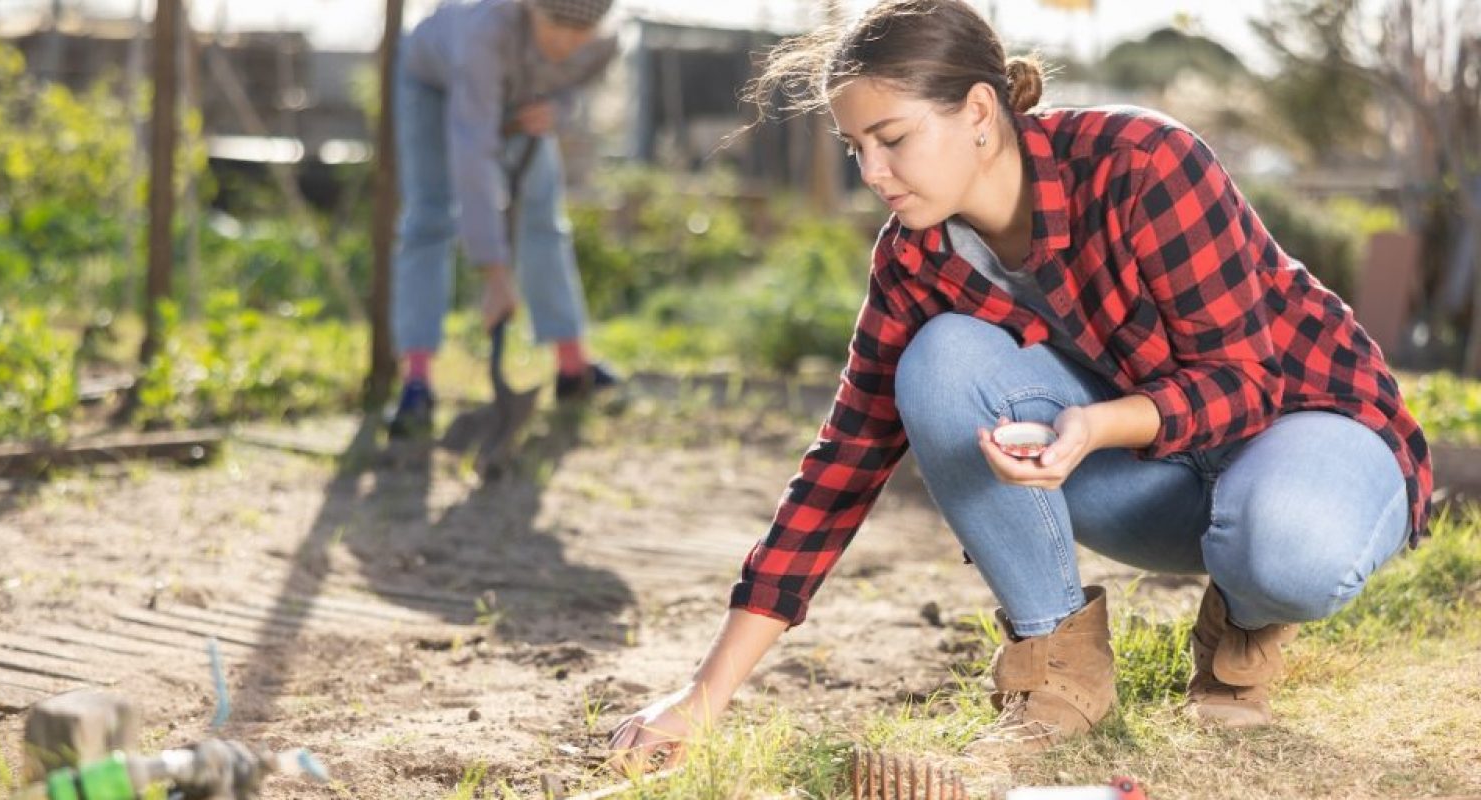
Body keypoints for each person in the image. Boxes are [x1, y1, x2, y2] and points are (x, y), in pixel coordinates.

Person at [610, 0, 1432, 762]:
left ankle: (1243, 638)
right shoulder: (915, 257)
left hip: (1307, 427)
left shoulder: (1139, 160)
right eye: (855, 148)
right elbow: (844, 463)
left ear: (977, 112)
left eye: (891, 139)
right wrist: (705, 695)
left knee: (1291, 548)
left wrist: (1094, 427)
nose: (872, 171)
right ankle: (1059, 677)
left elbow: (1246, 384)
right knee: (939, 359)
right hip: (1152, 481)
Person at [390, 0, 621, 438]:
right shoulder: (485, 34)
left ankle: (573, 367)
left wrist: (560, 109)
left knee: (543, 218)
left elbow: (583, 86)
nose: (565, 43)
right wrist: (495, 274)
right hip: (434, 84)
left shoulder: (605, 40)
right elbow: (472, 156)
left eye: (579, 35)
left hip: (521, 94)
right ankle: (416, 382)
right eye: (554, 27)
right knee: (429, 218)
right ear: (529, 8)